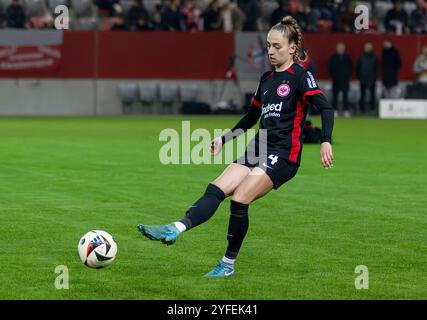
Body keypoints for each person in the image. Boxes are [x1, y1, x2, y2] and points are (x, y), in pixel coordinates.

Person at [137, 16, 334, 278]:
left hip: (285, 153)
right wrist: (224, 138)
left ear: (292, 48)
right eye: (268, 46)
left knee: (240, 198)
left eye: (277, 46)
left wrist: (325, 140)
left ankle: (227, 264)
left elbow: (325, 107)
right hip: (259, 146)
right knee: (217, 188)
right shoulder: (266, 80)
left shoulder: (300, 76)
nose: (271, 51)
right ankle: (175, 228)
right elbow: (251, 118)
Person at [328, 42, 353, 117]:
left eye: (342, 48)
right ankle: (334, 110)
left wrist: (347, 75)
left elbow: (350, 67)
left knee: (345, 96)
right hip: (336, 80)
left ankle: (346, 110)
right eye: (339, 48)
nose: (341, 49)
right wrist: (334, 76)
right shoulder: (333, 57)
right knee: (335, 96)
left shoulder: (347, 57)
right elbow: (330, 67)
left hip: (345, 80)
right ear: (337, 48)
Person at [356, 42, 378, 114]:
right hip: (363, 79)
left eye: (369, 47)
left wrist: (374, 77)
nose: (367, 48)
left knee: (372, 95)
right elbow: (357, 67)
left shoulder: (374, 57)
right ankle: (362, 109)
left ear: (371, 48)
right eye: (366, 47)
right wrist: (359, 76)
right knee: (362, 95)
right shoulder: (361, 57)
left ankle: (372, 109)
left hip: (372, 79)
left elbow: (377, 68)